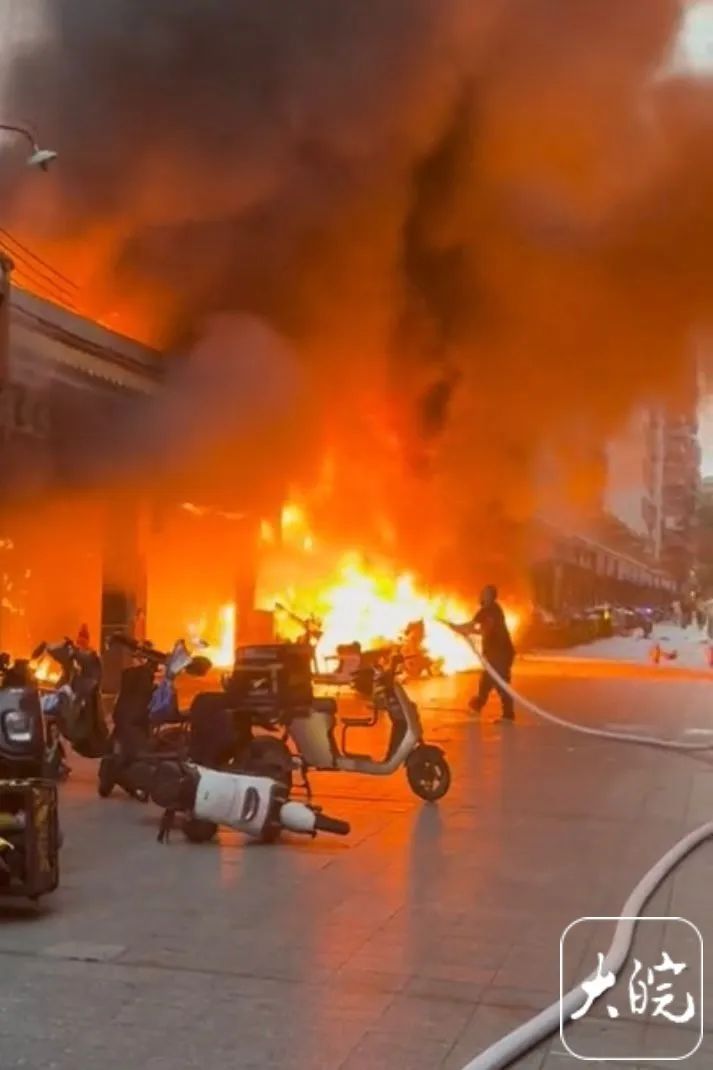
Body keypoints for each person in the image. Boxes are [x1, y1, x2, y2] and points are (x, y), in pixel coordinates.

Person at [455, 585, 516, 721]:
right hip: (494, 654)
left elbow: (480, 628)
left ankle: (508, 714)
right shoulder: (486, 610)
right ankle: (477, 706)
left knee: (501, 683)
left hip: (501, 653)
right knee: (486, 682)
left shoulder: (492, 610)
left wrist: (464, 629)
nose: (482, 595)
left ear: (491, 596)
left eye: (485, 594)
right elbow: (477, 627)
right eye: (482, 593)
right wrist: (461, 628)